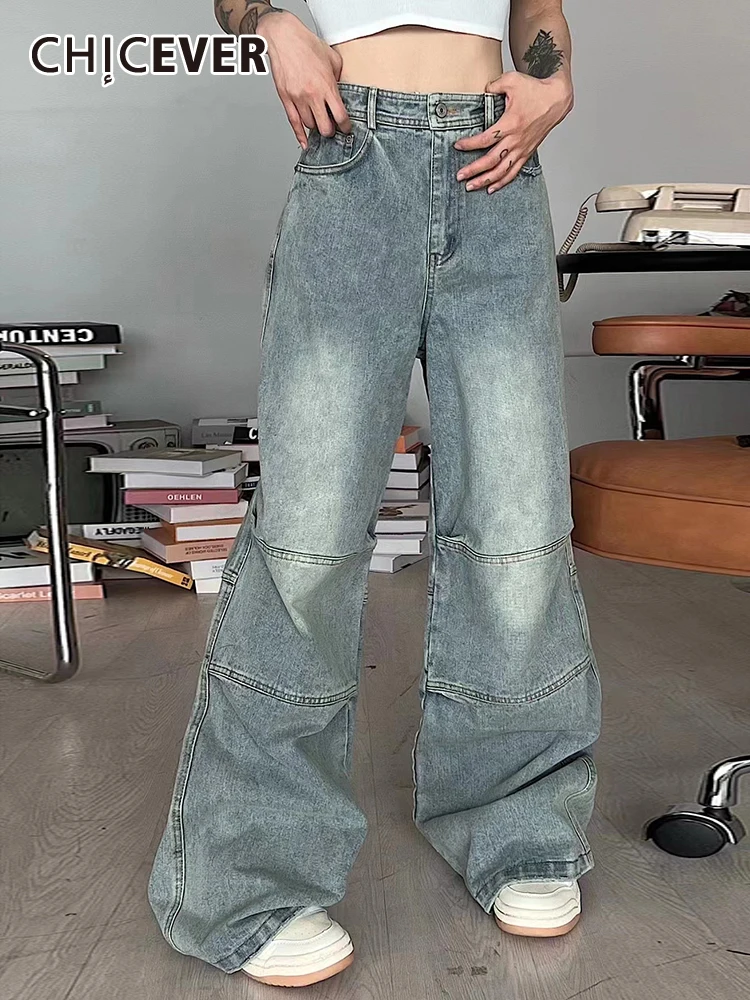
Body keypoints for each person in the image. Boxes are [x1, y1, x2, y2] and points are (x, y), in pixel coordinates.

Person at [148, 0, 602, 988]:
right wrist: (274, 25)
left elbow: (540, 10)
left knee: (518, 523)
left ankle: (517, 823)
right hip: (354, 156)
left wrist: (552, 81)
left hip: (494, 164)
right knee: (307, 537)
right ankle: (248, 875)